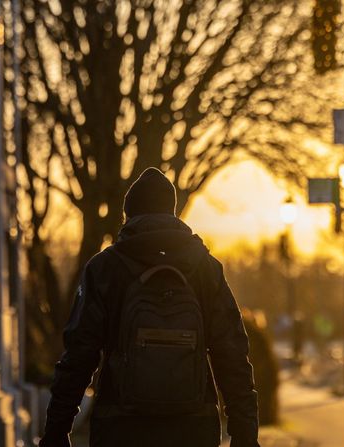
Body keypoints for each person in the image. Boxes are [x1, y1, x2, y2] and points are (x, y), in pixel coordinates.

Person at [39, 167, 260, 447]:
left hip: (120, 428)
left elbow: (79, 357)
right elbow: (232, 355)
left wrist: (56, 431)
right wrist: (245, 435)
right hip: (193, 428)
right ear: (173, 214)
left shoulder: (105, 268)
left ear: (128, 216)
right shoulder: (205, 268)